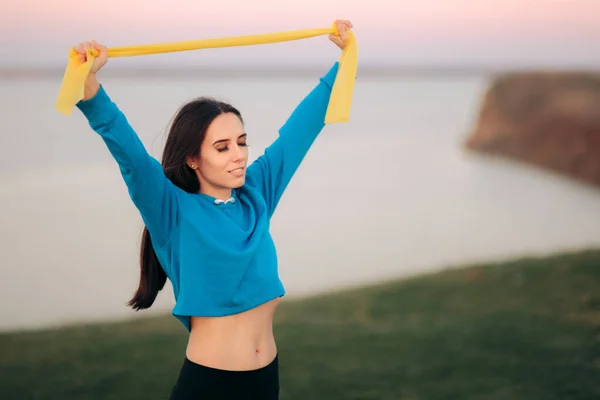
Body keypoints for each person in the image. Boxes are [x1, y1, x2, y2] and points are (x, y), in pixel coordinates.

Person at [72, 19, 353, 400]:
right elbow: (131, 156)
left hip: (265, 379)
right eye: (222, 147)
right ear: (192, 158)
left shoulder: (257, 193)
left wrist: (344, 58)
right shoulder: (171, 210)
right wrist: (90, 90)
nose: (238, 156)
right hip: (209, 386)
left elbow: (302, 128)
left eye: (241, 142)